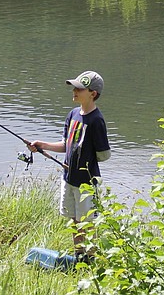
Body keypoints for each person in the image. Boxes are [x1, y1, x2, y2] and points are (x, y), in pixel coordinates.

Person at [27, 71, 111, 257]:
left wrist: (85, 159)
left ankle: (90, 259)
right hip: (69, 179)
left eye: (79, 88)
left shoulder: (96, 120)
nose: (74, 91)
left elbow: (104, 155)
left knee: (87, 222)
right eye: (74, 87)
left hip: (86, 183)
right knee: (74, 220)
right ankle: (79, 256)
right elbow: (67, 145)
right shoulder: (73, 114)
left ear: (93, 93)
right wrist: (43, 145)